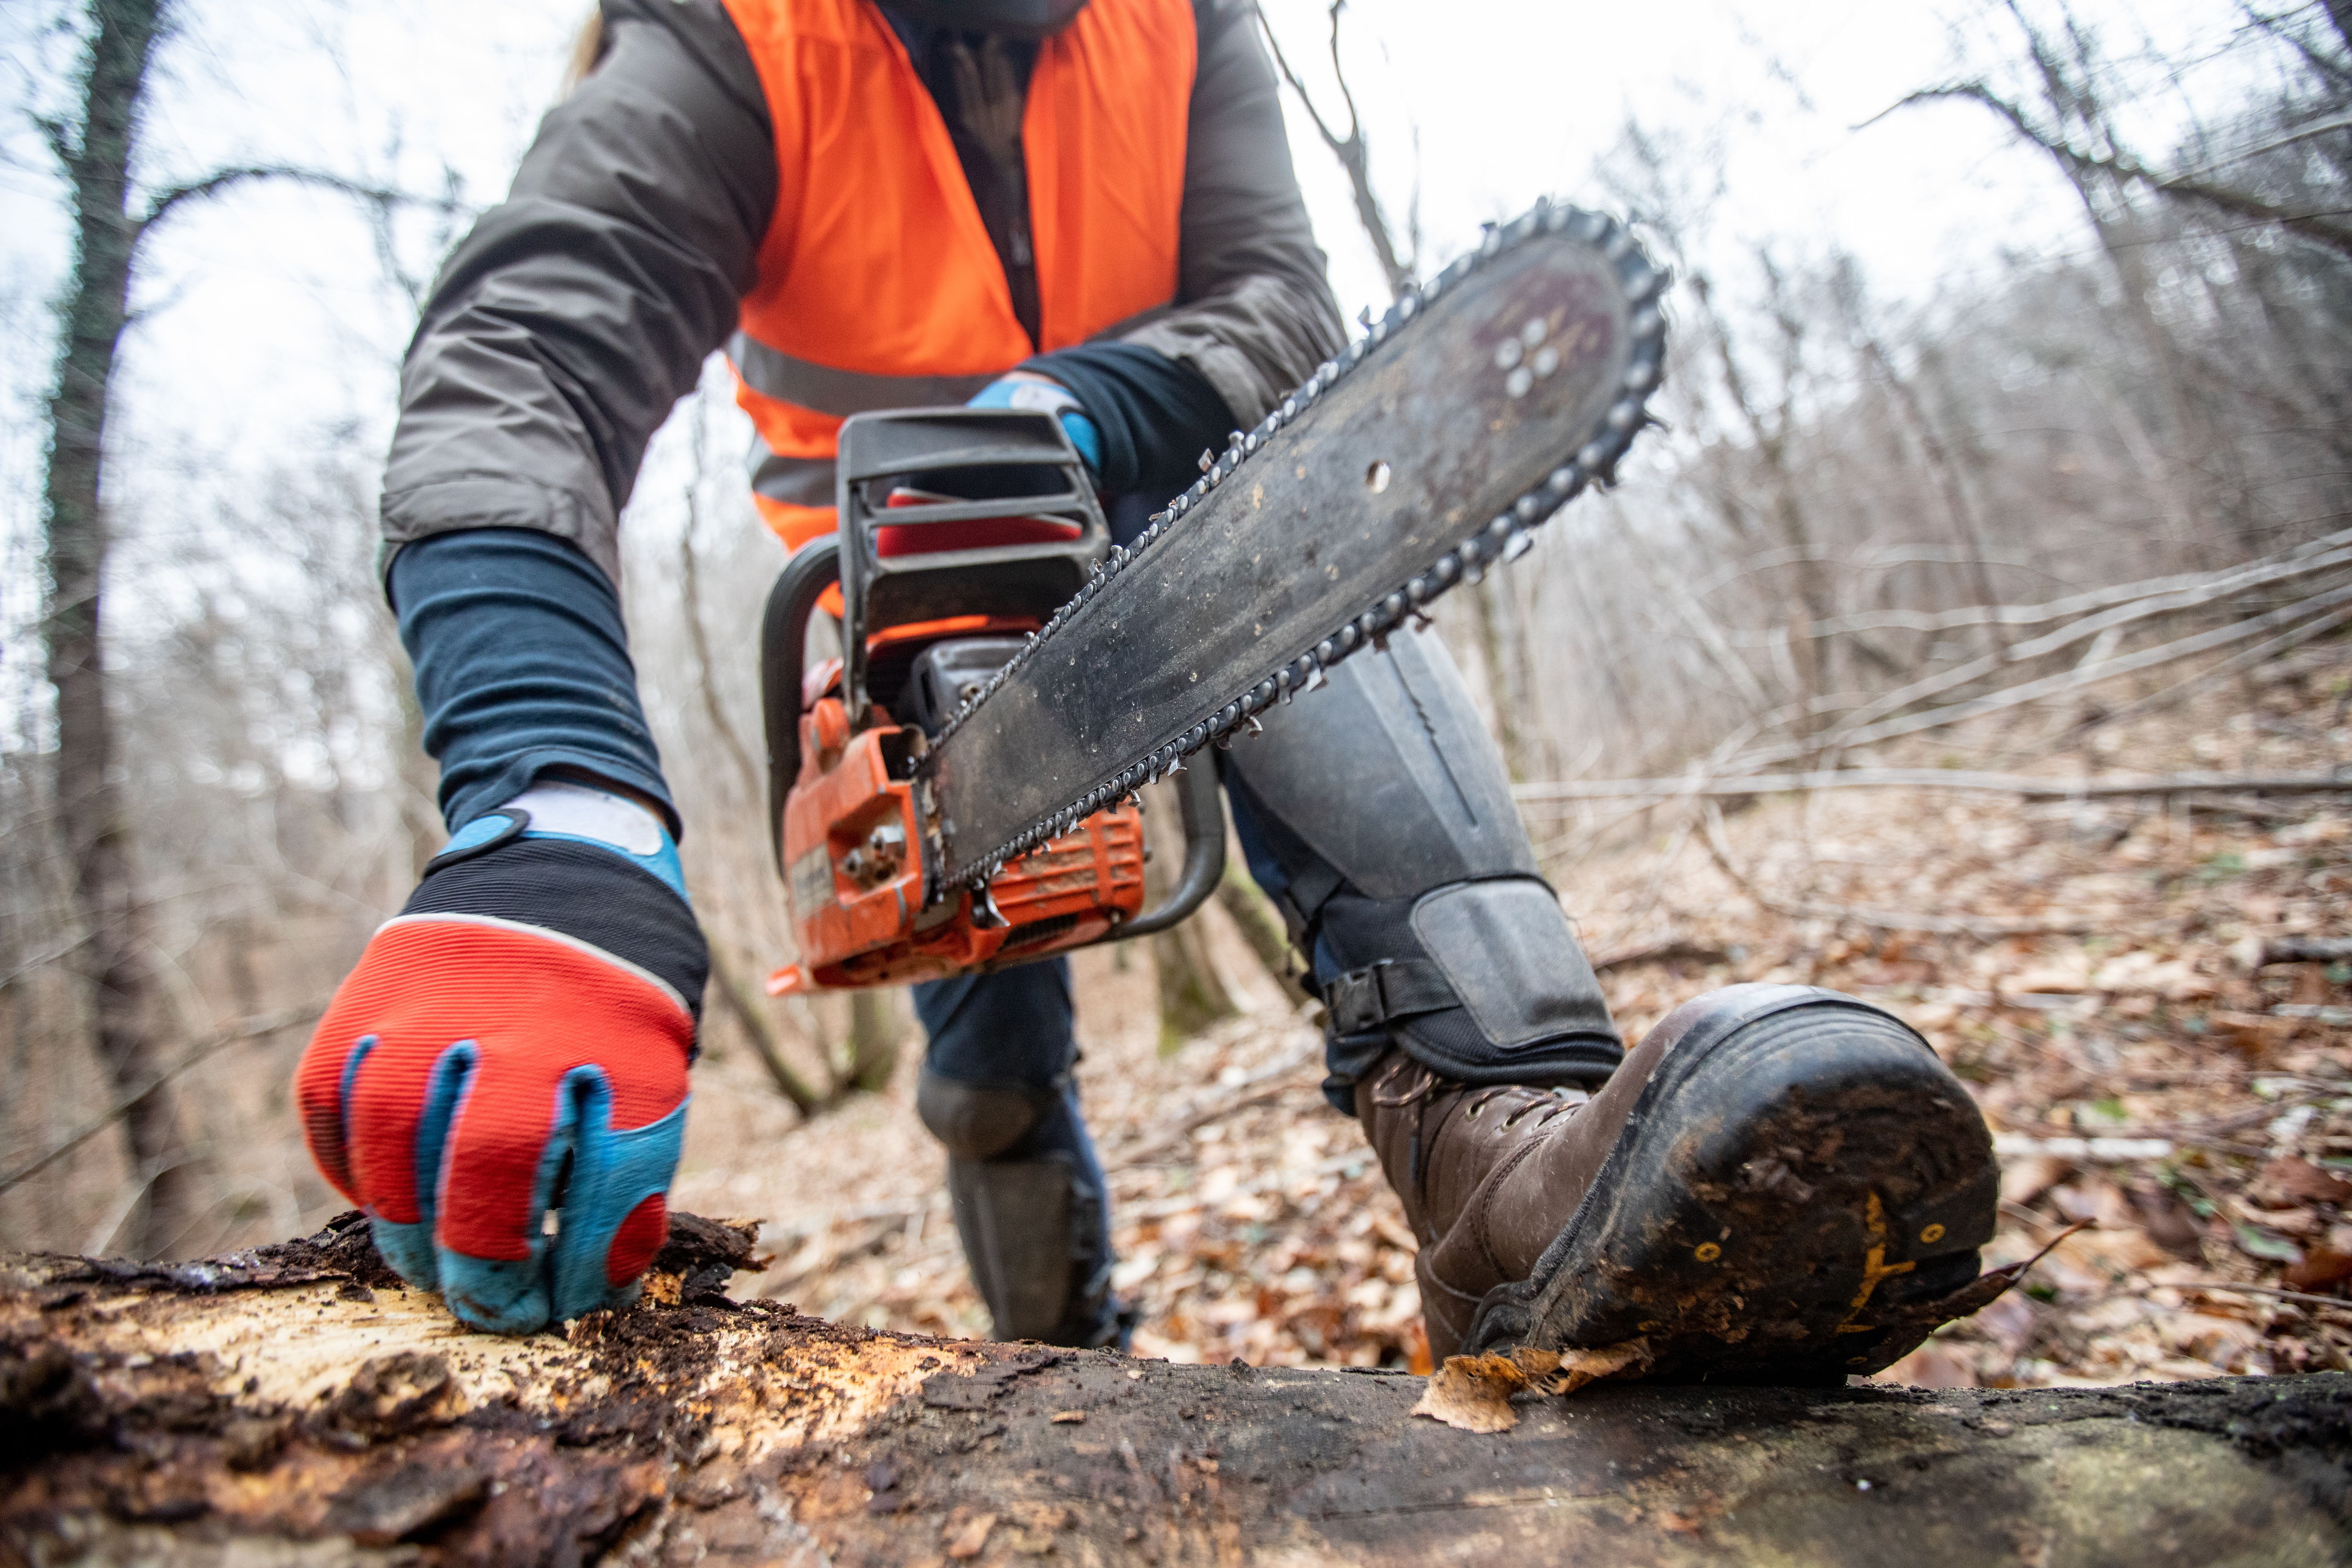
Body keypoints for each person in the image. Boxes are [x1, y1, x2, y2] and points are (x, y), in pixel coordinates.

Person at [297, 0, 1998, 1378]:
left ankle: (1503, 1157)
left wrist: (1084, 405)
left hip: (1167, 507)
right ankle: (1059, 1359)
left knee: (1290, 573)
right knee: (989, 1071)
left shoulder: (1184, 21)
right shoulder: (736, 36)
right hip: (898, 624)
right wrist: (554, 801)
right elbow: (522, 354)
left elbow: (1283, 303)